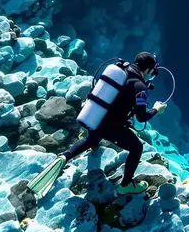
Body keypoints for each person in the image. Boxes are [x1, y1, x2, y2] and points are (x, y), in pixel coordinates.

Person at [29, 52, 167, 198]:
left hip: (95, 118)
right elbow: (141, 117)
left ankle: (64, 156)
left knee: (90, 140)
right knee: (137, 147)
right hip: (113, 127)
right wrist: (156, 110)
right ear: (148, 70)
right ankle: (125, 186)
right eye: (152, 73)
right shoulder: (139, 87)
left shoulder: (120, 72)